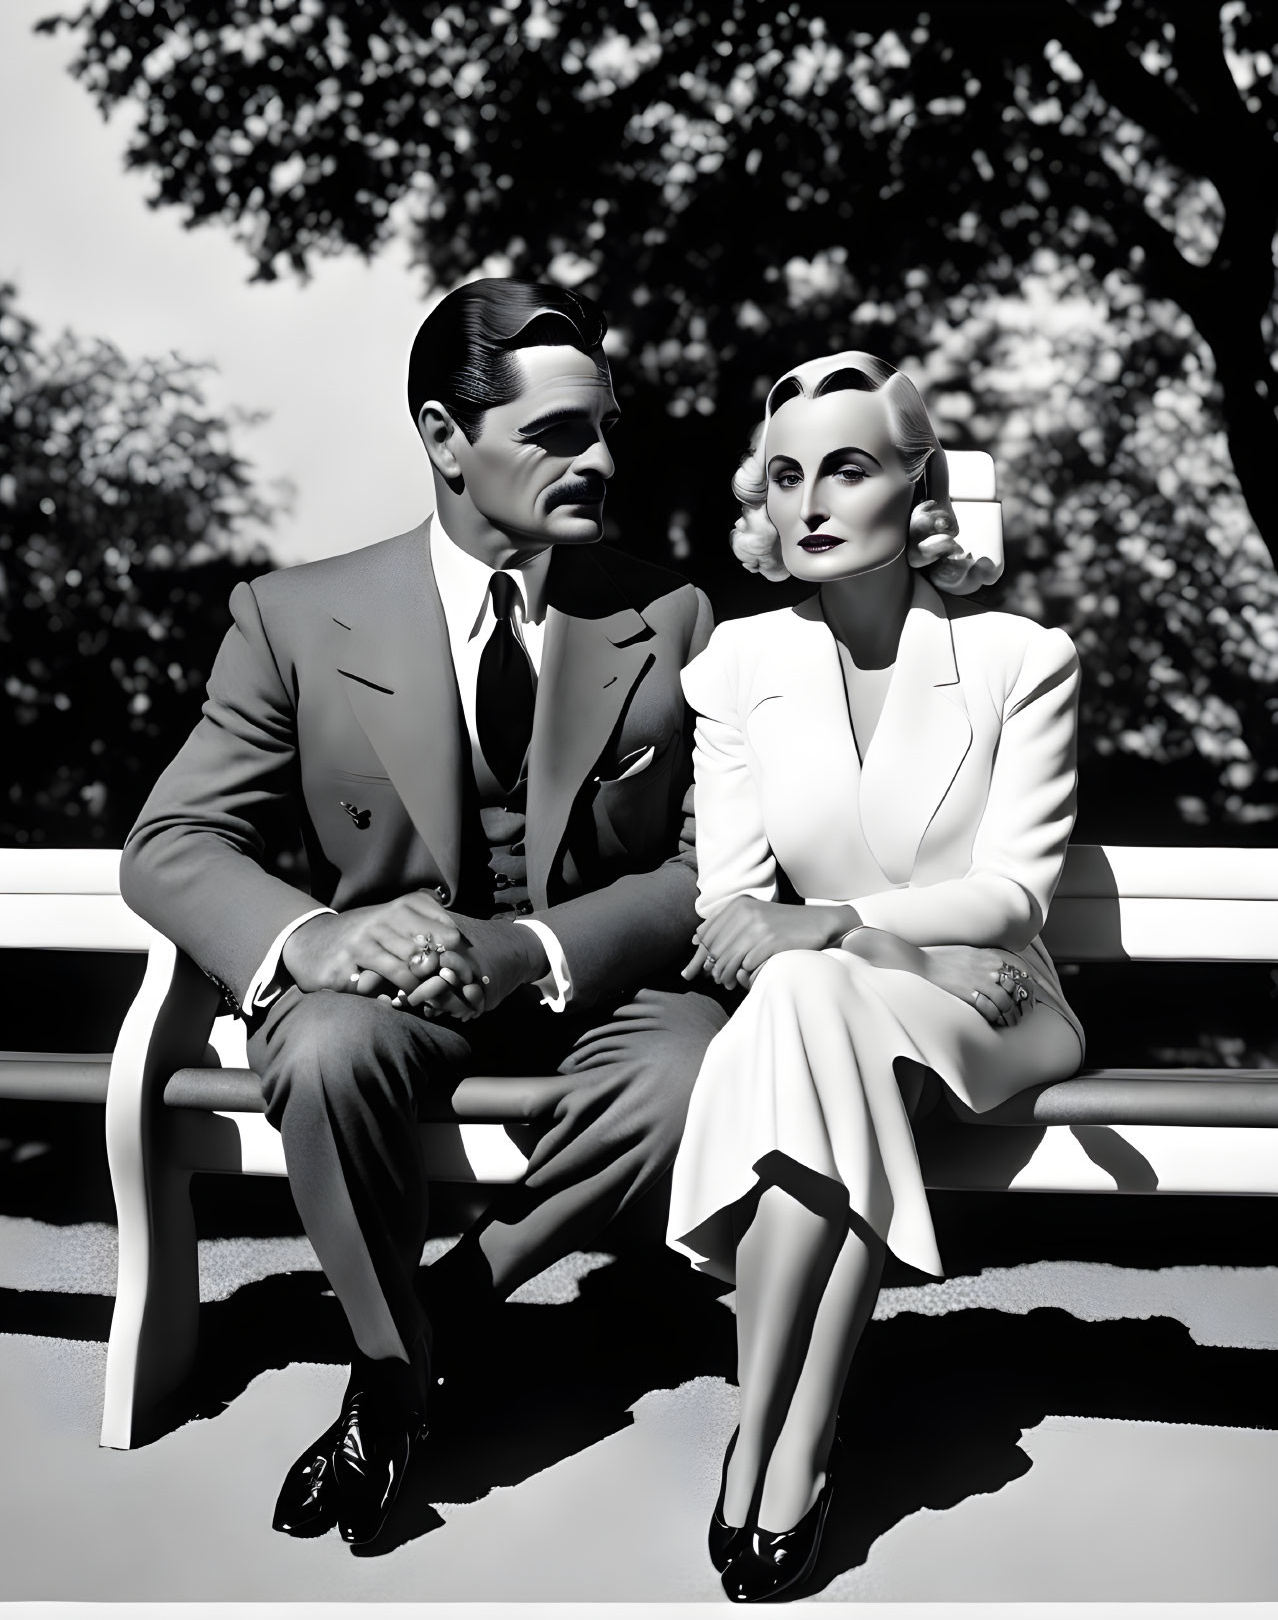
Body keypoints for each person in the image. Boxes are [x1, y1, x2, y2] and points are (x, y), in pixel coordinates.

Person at [120, 278, 727, 1547]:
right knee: (323, 1043)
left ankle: (419, 1338)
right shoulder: (288, 616)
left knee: (699, 1073)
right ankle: (400, 1375)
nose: (601, 458)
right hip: (389, 1002)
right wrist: (315, 937)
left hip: (596, 1003)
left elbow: (696, 863)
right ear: (446, 440)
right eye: (557, 433)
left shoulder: (666, 615)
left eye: (603, 426)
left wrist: (531, 949)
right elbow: (171, 839)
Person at [666, 351, 1084, 1602]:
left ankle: (770, 1436)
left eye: (846, 467)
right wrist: (878, 945)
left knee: (814, 998)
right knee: (814, 1003)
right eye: (786, 474)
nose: (810, 501)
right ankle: (791, 1438)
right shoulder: (739, 665)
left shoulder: (1020, 658)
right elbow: (734, 914)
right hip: (844, 1003)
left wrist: (839, 921)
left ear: (919, 488)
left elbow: (1012, 899)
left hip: (997, 1003)